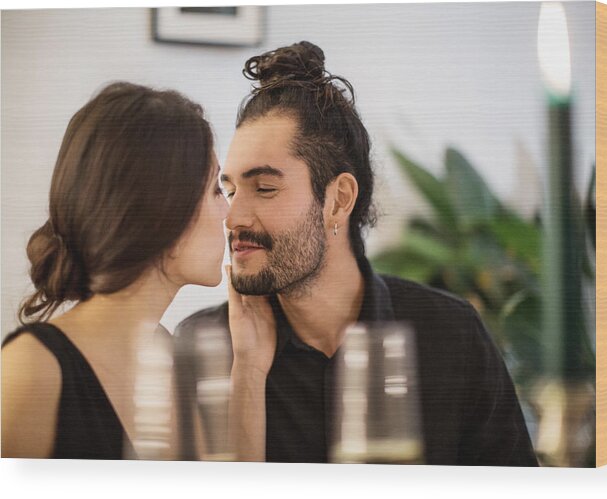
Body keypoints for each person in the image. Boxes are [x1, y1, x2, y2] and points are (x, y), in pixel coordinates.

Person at [175, 41, 539, 466]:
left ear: (338, 200)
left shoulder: (451, 336)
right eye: (230, 190)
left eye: (265, 188)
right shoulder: (204, 347)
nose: (233, 216)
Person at [1, 82, 272, 460]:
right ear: (162, 208)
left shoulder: (165, 353)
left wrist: (250, 366)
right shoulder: (31, 369)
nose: (230, 214)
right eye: (215, 190)